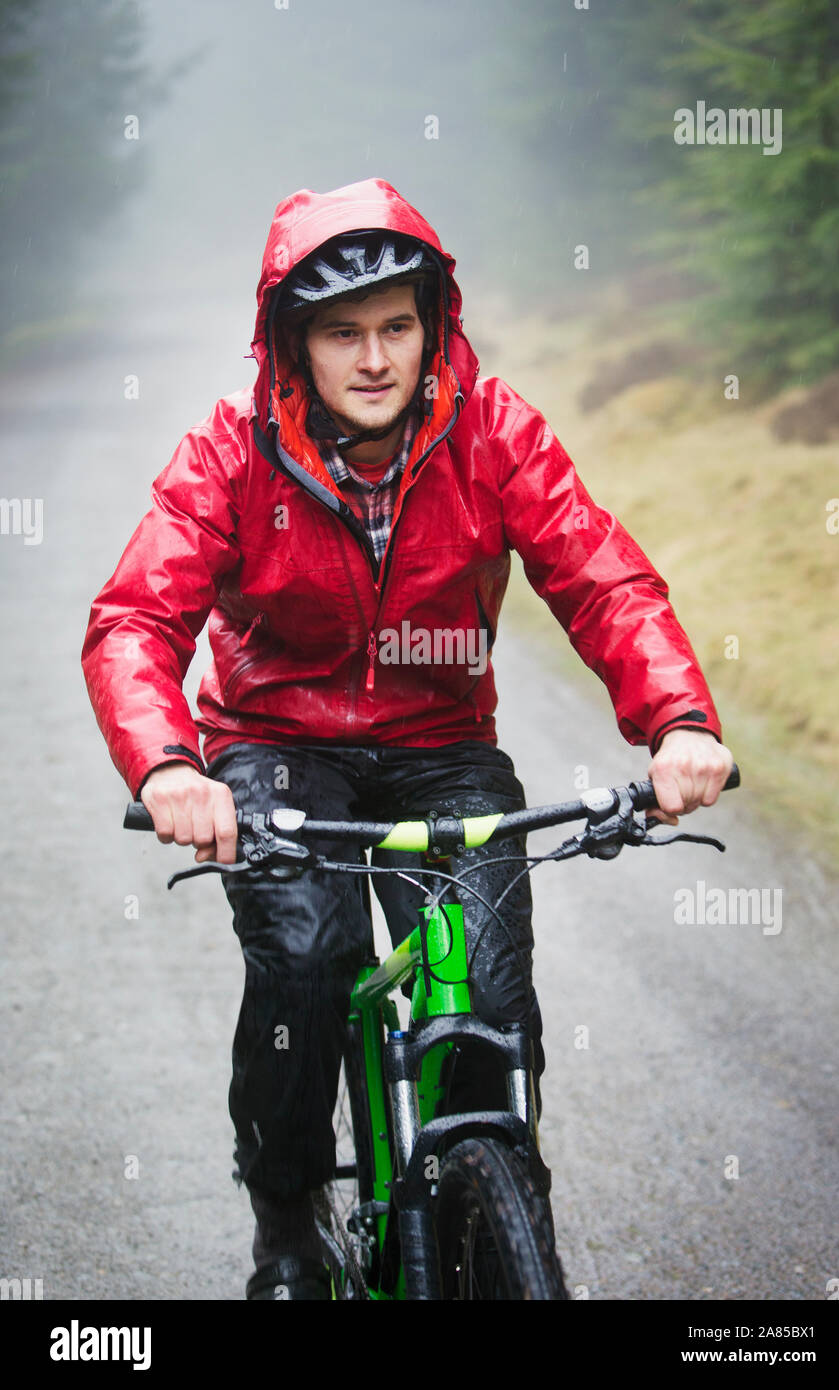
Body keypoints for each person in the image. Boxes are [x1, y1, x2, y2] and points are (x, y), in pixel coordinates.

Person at [81, 177, 734, 1299]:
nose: (374, 357)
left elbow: (601, 578)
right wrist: (173, 764)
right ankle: (286, 1215)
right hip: (277, 748)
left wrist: (677, 719)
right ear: (294, 344)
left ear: (435, 326)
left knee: (485, 998)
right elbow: (134, 620)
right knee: (305, 958)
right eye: (342, 332)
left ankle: (498, 1202)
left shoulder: (495, 432)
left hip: (442, 746)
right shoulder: (229, 453)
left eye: (396, 326)